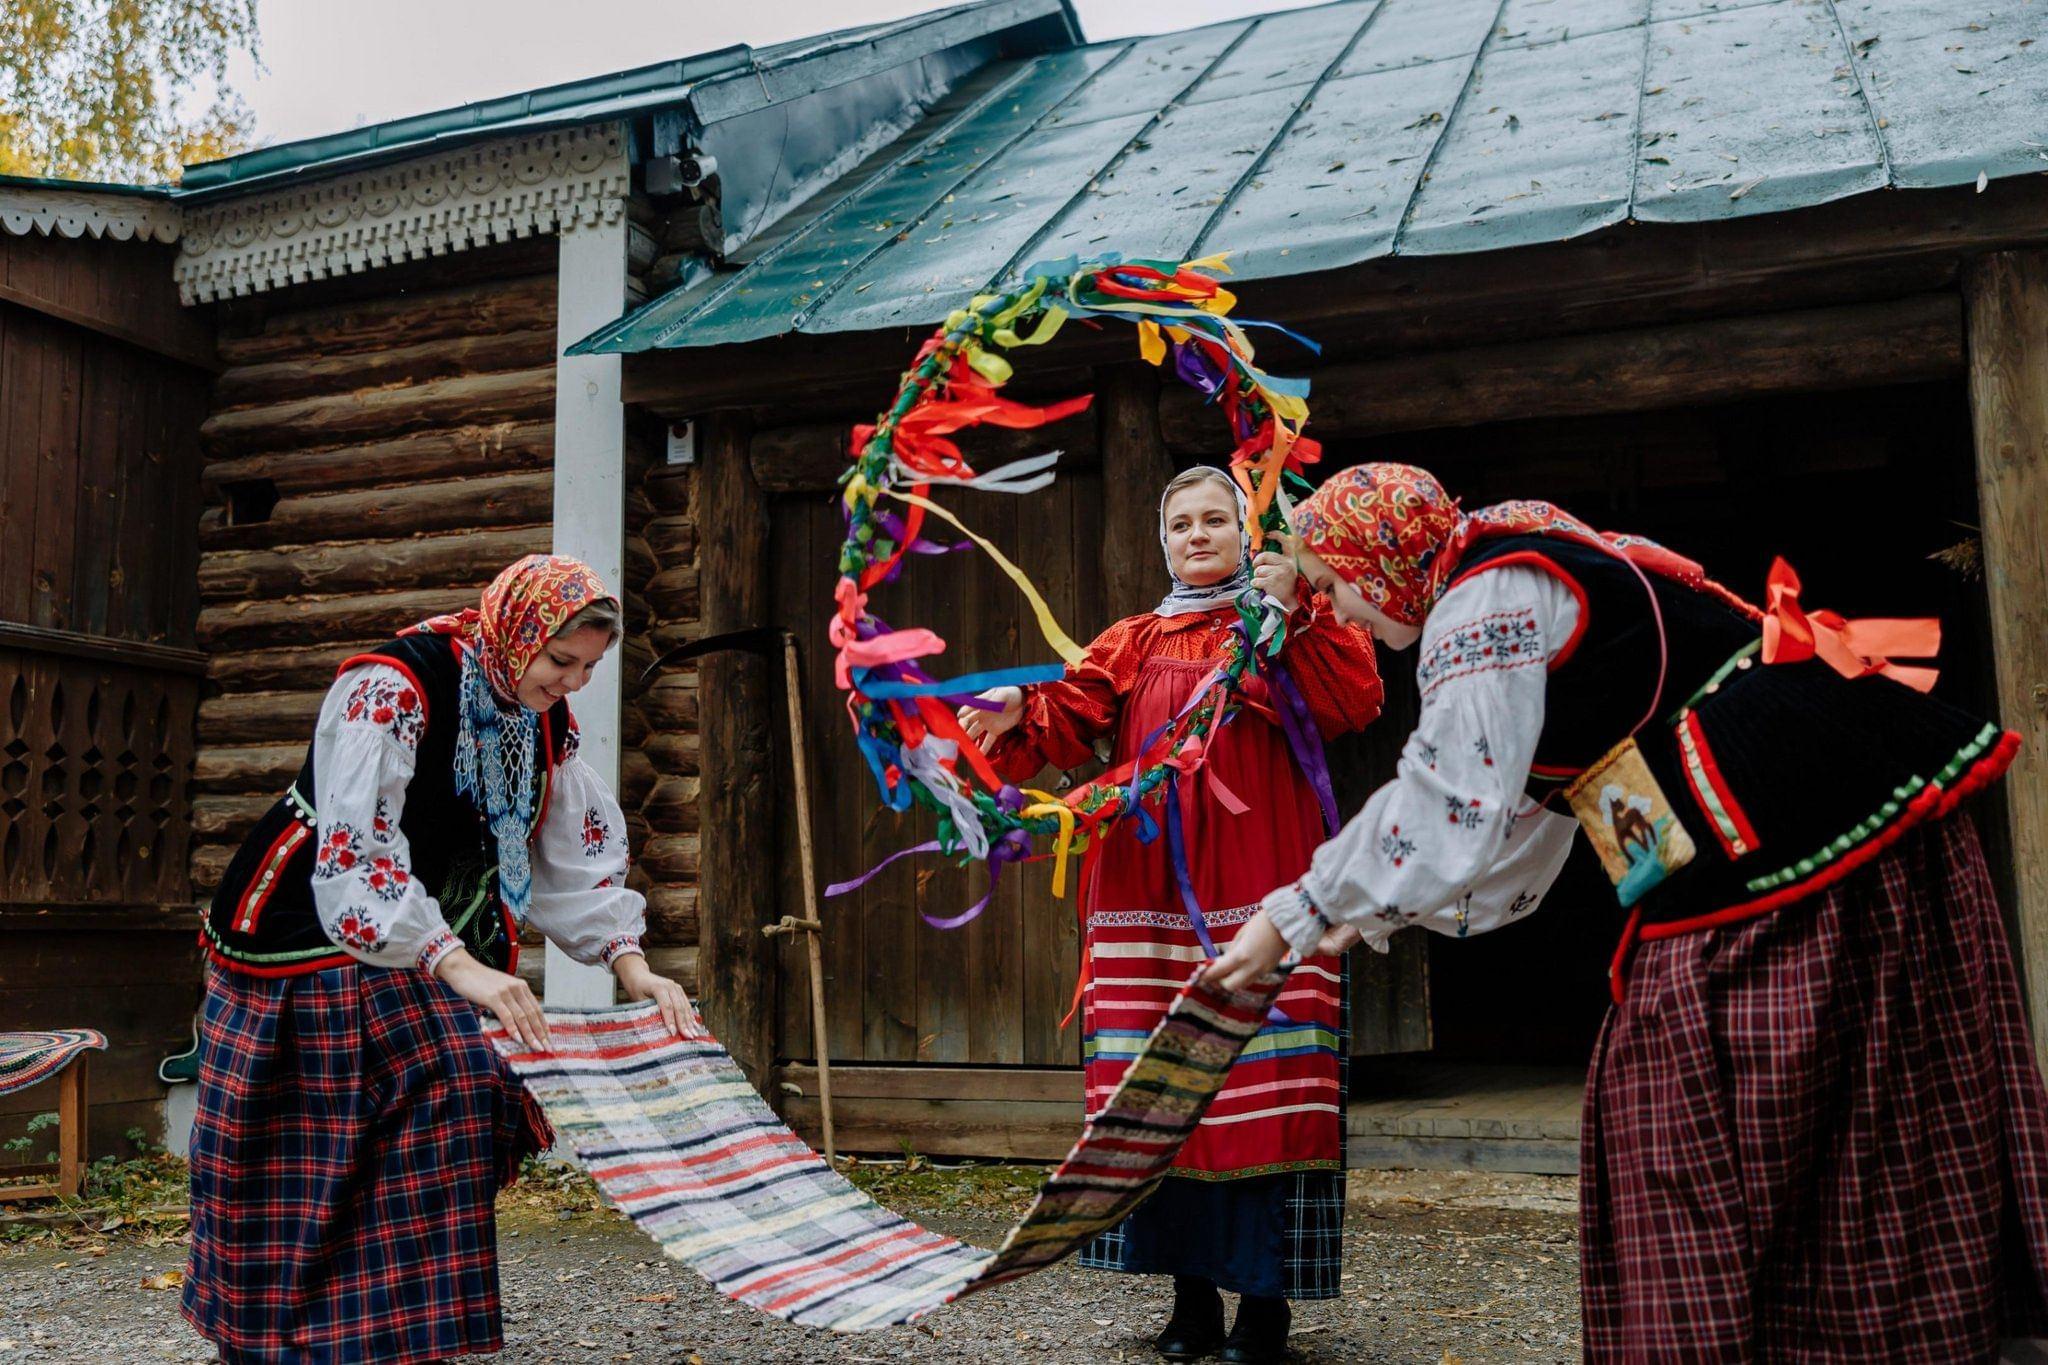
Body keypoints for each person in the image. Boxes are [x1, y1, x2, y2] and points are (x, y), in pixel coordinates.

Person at [1204, 463, 2048, 1360]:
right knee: (1735, 1106)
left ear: (1381, 558)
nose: (1337, 610)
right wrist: (1374, 914)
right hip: (1765, 848)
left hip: (1805, 825)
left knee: (1733, 1101)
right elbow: (1521, 815)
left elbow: (1452, 798)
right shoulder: (1503, 565)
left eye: (1334, 584)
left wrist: (1293, 912)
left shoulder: (1484, 595)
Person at [183, 554, 696, 1364]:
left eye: (590, 667)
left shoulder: (542, 718)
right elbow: (359, 854)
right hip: (310, 921)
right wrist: (459, 965)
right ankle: (266, 1337)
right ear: (513, 628)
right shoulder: (394, 686)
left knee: (459, 1089)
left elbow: (566, 857)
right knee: (317, 1130)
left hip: (423, 931)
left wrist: (632, 966)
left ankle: (389, 1332)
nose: (572, 682)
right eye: (561, 660)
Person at [959, 466, 1383, 1363]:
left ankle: (1264, 1308)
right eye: (1181, 522)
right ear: (1164, 540)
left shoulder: (1291, 622)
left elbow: (1353, 702)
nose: (1198, 534)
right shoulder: (1135, 640)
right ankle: (1192, 1304)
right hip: (1145, 894)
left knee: (1258, 1092)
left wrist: (1297, 613)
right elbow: (1068, 720)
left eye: (1215, 519)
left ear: (1247, 527)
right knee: (1164, 1092)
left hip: (1265, 886)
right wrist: (1015, 707)